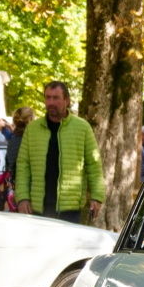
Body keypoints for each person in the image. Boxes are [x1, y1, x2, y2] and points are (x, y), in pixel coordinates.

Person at [16, 81, 105, 222]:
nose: (51, 102)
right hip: (37, 207)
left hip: (70, 209)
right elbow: (23, 165)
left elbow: (94, 164)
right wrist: (22, 197)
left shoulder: (83, 128)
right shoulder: (32, 129)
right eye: (48, 97)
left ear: (66, 100)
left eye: (56, 98)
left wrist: (97, 196)